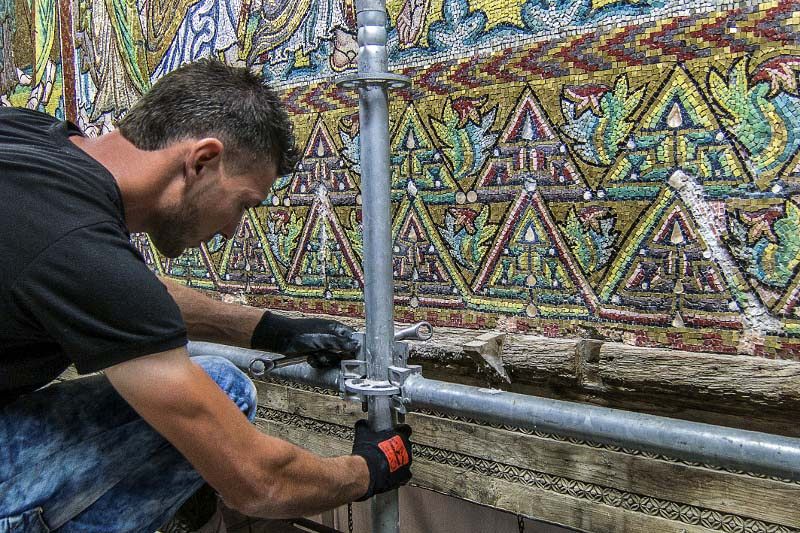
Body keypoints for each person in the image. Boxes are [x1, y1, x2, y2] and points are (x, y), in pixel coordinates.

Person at [0, 59, 412, 533]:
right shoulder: (77, 248)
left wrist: (267, 329)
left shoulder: (30, 135)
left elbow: (111, 292)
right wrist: (372, 468)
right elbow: (258, 483)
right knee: (225, 392)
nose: (232, 229)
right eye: (243, 204)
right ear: (201, 161)